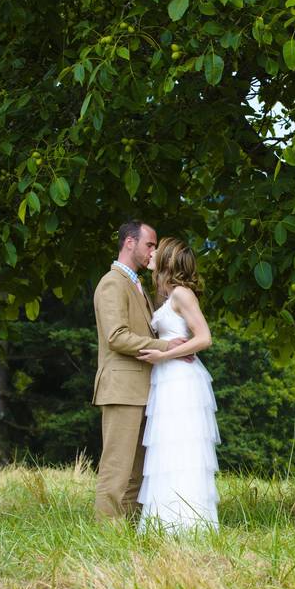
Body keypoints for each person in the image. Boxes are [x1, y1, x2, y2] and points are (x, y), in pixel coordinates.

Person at [91, 220, 189, 520]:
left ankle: (128, 535)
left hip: (140, 390)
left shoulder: (136, 284)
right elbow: (116, 336)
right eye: (149, 244)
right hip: (121, 390)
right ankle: (107, 536)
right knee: (117, 468)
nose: (154, 251)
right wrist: (166, 347)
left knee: (137, 472)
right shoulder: (112, 282)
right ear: (129, 243)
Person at [135, 238, 220, 532]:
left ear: (168, 259)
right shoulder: (166, 294)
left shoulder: (183, 294)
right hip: (168, 379)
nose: (152, 252)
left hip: (181, 380)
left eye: (157, 249)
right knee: (167, 449)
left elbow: (204, 338)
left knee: (182, 450)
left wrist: (164, 354)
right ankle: (166, 522)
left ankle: (188, 525)